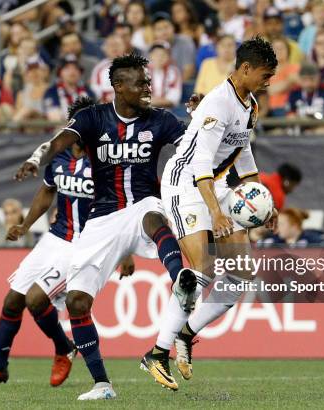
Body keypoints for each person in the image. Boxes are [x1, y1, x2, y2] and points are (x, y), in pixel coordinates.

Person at [14, 54, 197, 400]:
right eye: (140, 82)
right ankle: (102, 384)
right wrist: (37, 158)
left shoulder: (161, 120)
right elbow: (59, 142)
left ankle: (181, 279)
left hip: (144, 203)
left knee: (152, 216)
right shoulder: (93, 118)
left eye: (148, 81)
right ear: (118, 87)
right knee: (78, 304)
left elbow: (195, 144)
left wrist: (201, 118)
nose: (148, 87)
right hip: (102, 220)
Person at [141, 37, 277, 391]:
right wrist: (216, 213)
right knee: (201, 269)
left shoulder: (250, 104)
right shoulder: (218, 103)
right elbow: (200, 163)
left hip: (214, 182)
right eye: (265, 74)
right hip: (184, 182)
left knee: (242, 274)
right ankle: (156, 353)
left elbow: (243, 155)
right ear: (245, 68)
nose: (269, 80)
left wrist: (265, 202)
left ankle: (186, 334)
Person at [0, 98, 108, 388]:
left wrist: (125, 250)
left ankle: (63, 347)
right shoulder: (59, 156)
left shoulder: (104, 161)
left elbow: (118, 203)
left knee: (35, 299)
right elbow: (47, 192)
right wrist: (26, 225)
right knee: (12, 300)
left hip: (83, 244)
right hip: (55, 237)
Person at [286, 61, 324, 134]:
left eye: (312, 79)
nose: (309, 84)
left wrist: (312, 128)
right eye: (305, 79)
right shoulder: (294, 92)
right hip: (301, 131)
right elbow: (290, 119)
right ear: (299, 79)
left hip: (322, 131)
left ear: (319, 78)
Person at [44, 54, 94, 122]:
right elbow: (54, 117)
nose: (72, 71)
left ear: (80, 73)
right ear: (60, 72)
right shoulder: (52, 92)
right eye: (67, 68)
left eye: (76, 68)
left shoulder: (88, 91)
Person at [152, 12, 196, 81]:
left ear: (173, 27)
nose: (164, 32)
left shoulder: (185, 41)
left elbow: (189, 70)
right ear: (154, 32)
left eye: (166, 27)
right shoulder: (153, 48)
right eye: (159, 29)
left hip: (184, 85)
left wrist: (174, 87)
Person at [267, 36, 300, 117]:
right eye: (275, 48)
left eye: (281, 48)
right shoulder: (265, 72)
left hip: (290, 108)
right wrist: (289, 81)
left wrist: (280, 85)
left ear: (288, 51)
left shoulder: (296, 67)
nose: (278, 51)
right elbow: (270, 90)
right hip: (270, 110)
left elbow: (301, 83)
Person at [12, 55, 50, 124]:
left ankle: (9, 130)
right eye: (30, 70)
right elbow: (17, 114)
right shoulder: (21, 94)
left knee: (26, 110)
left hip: (45, 127)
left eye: (37, 68)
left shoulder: (52, 90)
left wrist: (33, 112)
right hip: (25, 126)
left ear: (45, 72)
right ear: (26, 74)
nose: (34, 72)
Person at [90, 33, 126, 103]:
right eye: (111, 45)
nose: (114, 48)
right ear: (105, 49)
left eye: (117, 45)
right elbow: (95, 92)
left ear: (124, 46)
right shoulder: (98, 69)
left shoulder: (136, 66)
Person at [147, 41, 182, 109]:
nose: (159, 58)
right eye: (156, 54)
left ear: (169, 57)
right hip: (144, 111)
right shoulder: (141, 70)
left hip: (166, 110)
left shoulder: (174, 72)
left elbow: (172, 100)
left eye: (163, 55)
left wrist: (149, 101)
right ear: (150, 55)